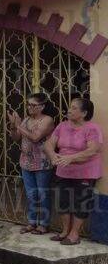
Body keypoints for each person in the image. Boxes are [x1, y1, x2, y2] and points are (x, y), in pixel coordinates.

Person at [44, 98, 103, 245]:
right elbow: (49, 144)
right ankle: (65, 231)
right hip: (63, 170)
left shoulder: (92, 128)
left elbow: (93, 150)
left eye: (74, 108)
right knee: (62, 200)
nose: (69, 110)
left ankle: (75, 234)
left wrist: (71, 158)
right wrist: (52, 156)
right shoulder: (62, 126)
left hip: (85, 172)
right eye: (70, 107)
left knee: (80, 203)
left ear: (84, 113)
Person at [8, 93, 56, 235]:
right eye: (28, 104)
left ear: (42, 106)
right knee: (30, 194)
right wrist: (12, 125)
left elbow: (35, 137)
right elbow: (16, 137)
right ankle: (32, 222)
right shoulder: (26, 120)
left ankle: (44, 224)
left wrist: (18, 125)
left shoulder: (47, 120)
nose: (30, 107)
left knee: (42, 194)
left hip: (42, 163)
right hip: (26, 163)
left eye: (33, 105)